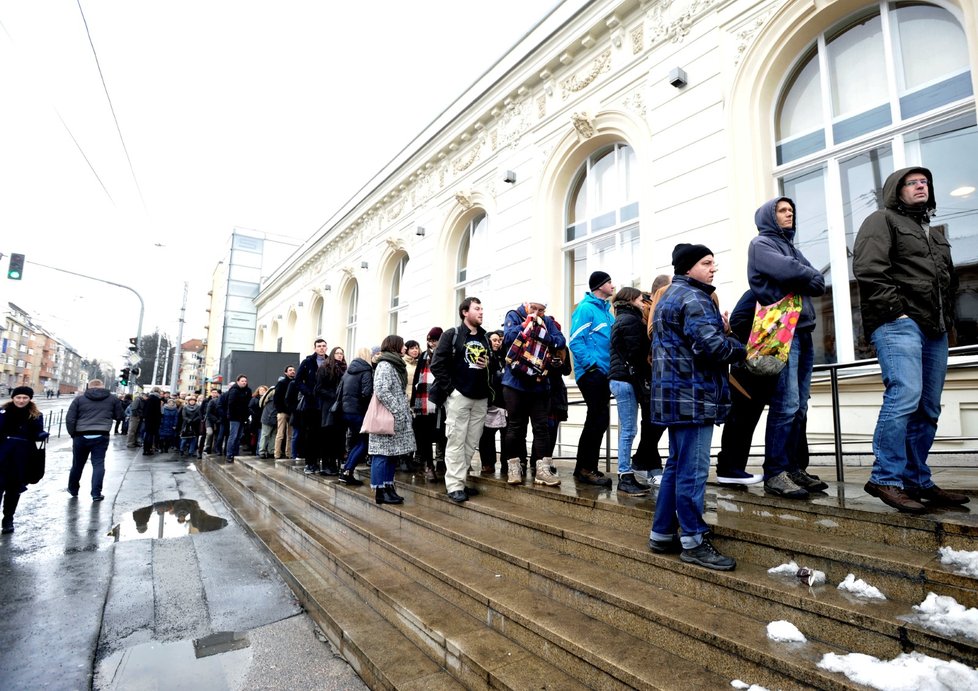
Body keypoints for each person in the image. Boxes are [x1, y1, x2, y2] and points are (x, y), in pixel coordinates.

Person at [853, 166, 969, 513]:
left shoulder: (932, 232)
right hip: (898, 323)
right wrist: (897, 312)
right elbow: (869, 269)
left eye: (925, 182)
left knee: (928, 408)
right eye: (912, 182)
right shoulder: (882, 220)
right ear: (896, 190)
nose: (921, 186)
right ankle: (885, 478)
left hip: (934, 328)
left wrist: (946, 321)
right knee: (904, 396)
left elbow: (946, 282)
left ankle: (916, 479)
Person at [648, 244, 745, 571]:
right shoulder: (694, 298)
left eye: (713, 263)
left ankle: (661, 533)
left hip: (675, 396)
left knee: (676, 466)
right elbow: (712, 348)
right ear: (689, 267)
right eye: (707, 263)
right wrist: (740, 347)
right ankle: (693, 539)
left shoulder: (669, 297)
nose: (713, 268)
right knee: (692, 470)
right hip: (694, 396)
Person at [748, 196, 827, 499]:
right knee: (786, 404)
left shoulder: (792, 248)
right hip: (783, 333)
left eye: (791, 210)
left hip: (803, 331)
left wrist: (801, 275)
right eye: (782, 210)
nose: (788, 213)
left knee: (801, 405)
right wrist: (802, 275)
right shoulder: (761, 244)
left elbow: (818, 283)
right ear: (769, 216)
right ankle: (775, 473)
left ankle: (794, 468)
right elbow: (793, 273)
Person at [430, 297, 492, 502]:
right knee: (456, 440)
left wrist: (488, 364)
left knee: (470, 442)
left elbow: (492, 365)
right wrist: (451, 391)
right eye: (477, 308)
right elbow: (436, 364)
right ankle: (454, 485)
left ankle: (462, 481)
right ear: (465, 312)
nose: (481, 312)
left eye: (482, 308)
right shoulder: (452, 335)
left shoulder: (484, 336)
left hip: (480, 397)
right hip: (459, 396)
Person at [499, 299, 565, 487]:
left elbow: (560, 340)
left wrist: (541, 332)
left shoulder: (547, 321)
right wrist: (525, 325)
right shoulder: (514, 315)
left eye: (541, 310)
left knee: (541, 427)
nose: (537, 312)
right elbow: (509, 338)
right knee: (515, 427)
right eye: (533, 308)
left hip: (539, 383)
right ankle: (514, 467)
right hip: (515, 382)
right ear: (526, 305)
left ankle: (542, 470)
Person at [714, 289, 771, 486]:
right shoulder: (754, 295)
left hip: (761, 368)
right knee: (740, 420)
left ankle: (735, 469)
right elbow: (736, 327)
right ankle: (730, 468)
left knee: (747, 421)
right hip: (745, 369)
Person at [569, 270, 616, 486]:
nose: (613, 286)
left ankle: (584, 468)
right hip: (592, 373)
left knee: (598, 420)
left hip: (604, 372)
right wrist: (592, 366)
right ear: (600, 286)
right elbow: (576, 341)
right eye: (609, 282)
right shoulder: (586, 309)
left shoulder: (607, 311)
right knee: (597, 419)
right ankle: (586, 469)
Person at [608, 287, 653, 495]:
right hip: (625, 380)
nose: (643, 302)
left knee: (628, 430)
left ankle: (626, 475)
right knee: (628, 431)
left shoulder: (622, 318)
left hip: (622, 379)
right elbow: (636, 353)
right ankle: (624, 477)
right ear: (631, 300)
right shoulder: (631, 320)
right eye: (641, 299)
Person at [369, 335, 416, 505]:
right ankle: (380, 491)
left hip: (394, 417)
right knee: (381, 455)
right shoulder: (385, 364)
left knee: (391, 455)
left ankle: (389, 487)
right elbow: (381, 390)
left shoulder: (396, 364)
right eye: (402, 345)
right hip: (386, 417)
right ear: (395, 346)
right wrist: (397, 410)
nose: (405, 348)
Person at [0, 387, 49, 533]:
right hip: (2, 456)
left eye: (25, 398)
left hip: (21, 458)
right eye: (18, 397)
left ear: (30, 399)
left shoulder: (35, 415)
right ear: (13, 397)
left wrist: (40, 458)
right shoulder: (2, 413)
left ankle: (8, 519)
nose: (21, 400)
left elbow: (38, 441)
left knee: (13, 490)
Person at [66, 379, 124, 501]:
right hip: (101, 434)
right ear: (103, 386)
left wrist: (73, 434)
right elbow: (120, 416)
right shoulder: (112, 399)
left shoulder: (79, 399)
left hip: (80, 435)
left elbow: (70, 419)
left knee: (77, 464)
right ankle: (96, 493)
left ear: (89, 387)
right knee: (98, 464)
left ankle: (73, 489)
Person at [410, 327, 447, 481]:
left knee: (443, 435)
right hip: (424, 402)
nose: (432, 344)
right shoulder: (424, 356)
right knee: (424, 436)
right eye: (430, 341)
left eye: (435, 340)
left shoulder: (446, 354)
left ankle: (442, 464)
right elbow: (417, 380)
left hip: (443, 400)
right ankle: (429, 466)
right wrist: (413, 402)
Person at [336, 347, 373, 486]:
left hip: (346, 412)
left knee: (357, 442)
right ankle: (347, 471)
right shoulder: (366, 371)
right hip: (359, 412)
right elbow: (366, 393)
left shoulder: (348, 372)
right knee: (363, 443)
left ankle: (346, 471)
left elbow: (339, 392)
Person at [296, 339, 330, 473]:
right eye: (319, 346)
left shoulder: (330, 362)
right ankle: (310, 463)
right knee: (311, 434)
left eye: (323, 346)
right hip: (311, 404)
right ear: (315, 348)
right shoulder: (307, 362)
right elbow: (298, 381)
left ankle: (323, 462)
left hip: (325, 402)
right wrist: (308, 392)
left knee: (323, 434)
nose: (321, 348)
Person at [314, 347, 347, 475]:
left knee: (338, 436)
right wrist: (334, 395)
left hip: (341, 406)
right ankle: (327, 464)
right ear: (333, 355)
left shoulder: (345, 369)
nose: (340, 355)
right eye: (337, 353)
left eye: (341, 353)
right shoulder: (324, 368)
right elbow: (318, 388)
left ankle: (335, 463)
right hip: (328, 406)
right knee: (328, 435)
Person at [478, 330, 506, 474]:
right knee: (487, 436)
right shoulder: (485, 356)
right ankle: (488, 463)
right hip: (489, 401)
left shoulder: (504, 355)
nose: (497, 342)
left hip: (504, 401)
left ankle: (506, 464)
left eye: (499, 340)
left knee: (506, 434)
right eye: (494, 340)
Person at [225, 374, 253, 462]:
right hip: (234, 417)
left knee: (239, 436)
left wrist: (247, 414)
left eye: (245, 381)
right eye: (242, 381)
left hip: (243, 417)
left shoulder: (248, 390)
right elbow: (231, 404)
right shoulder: (234, 390)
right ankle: (229, 454)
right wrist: (232, 415)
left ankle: (236, 454)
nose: (244, 382)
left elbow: (248, 404)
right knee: (233, 436)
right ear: (238, 382)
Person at [273, 365, 296, 460]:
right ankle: (277, 454)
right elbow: (276, 398)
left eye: (293, 370)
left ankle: (289, 453)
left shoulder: (295, 383)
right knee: (280, 434)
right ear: (285, 373)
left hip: (291, 412)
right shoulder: (281, 383)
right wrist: (280, 410)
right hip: (282, 412)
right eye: (290, 370)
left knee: (290, 435)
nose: (292, 371)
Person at [257, 385, 277, 459]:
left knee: (272, 435)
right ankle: (262, 451)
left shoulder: (273, 390)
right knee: (266, 435)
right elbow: (261, 402)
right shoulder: (273, 390)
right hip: (268, 416)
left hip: (273, 416)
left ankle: (270, 451)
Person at [143, 388, 164, 455]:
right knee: (151, 435)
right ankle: (148, 449)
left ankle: (145, 449)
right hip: (154, 420)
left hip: (148, 420)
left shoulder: (148, 398)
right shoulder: (157, 399)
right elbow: (157, 411)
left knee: (147, 434)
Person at [202, 389, 221, 454]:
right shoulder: (206, 400)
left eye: (216, 392)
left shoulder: (220, 400)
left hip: (217, 421)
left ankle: (215, 448)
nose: (214, 394)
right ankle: (207, 446)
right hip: (209, 419)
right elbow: (204, 410)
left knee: (217, 434)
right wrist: (202, 417)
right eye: (213, 392)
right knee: (210, 433)